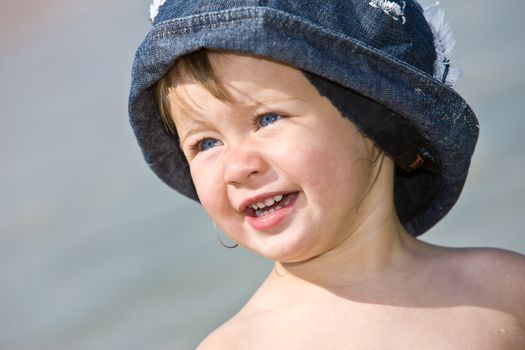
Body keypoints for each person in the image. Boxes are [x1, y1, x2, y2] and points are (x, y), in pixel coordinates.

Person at [129, 1, 525, 348]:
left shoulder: (505, 291)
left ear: (376, 121)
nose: (237, 167)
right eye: (205, 143)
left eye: (267, 119)